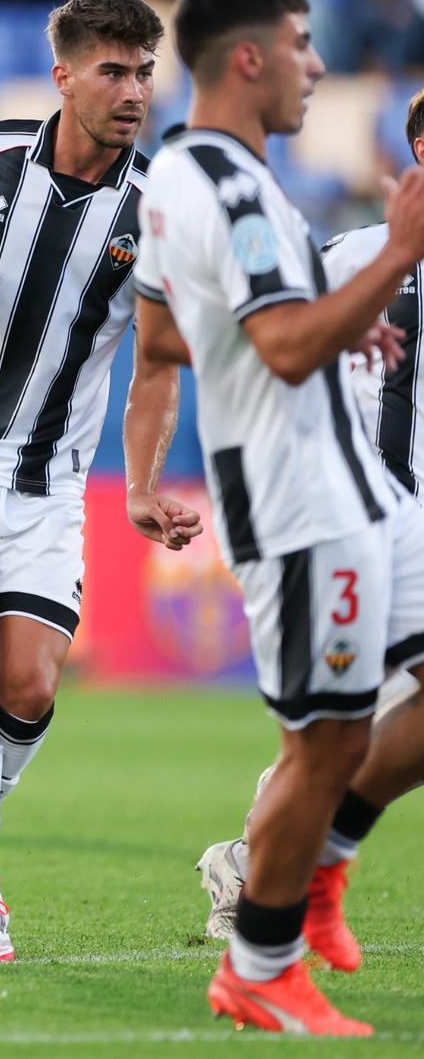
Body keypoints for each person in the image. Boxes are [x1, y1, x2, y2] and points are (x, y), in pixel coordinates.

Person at [0, 0, 203, 963]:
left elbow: (154, 363)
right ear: (63, 75)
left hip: (50, 479)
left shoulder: (157, 211)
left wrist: (143, 483)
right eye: (114, 69)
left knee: (28, 687)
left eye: (146, 70)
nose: (134, 89)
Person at [135, 0, 424, 1036]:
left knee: (358, 731)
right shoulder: (233, 189)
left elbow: (169, 332)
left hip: (354, 494)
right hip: (304, 509)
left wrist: (347, 315)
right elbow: (282, 347)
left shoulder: (187, 175)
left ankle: (318, 876)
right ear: (248, 58)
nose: (316, 64)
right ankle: (259, 961)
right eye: (302, 45)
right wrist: (395, 255)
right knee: (324, 744)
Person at [196, 89, 424, 935]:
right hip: (357, 526)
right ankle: (268, 879)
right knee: (339, 734)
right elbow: (256, 340)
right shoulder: (355, 253)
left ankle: (268, 867)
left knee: (347, 733)